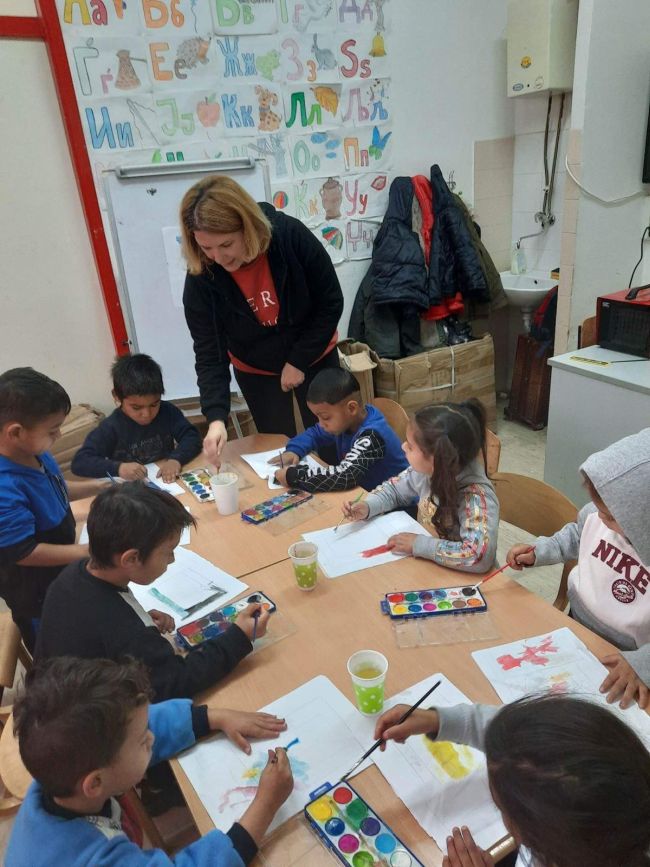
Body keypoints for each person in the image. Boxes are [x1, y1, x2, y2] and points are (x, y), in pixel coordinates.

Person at [7, 656, 293, 866]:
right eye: (144, 740)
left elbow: (141, 726)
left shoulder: (65, 777)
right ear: (95, 783)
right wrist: (266, 804)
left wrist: (213, 717)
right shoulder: (94, 859)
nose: (152, 737)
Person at [36, 483, 268, 701]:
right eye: (168, 551)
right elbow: (175, 682)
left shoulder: (76, 573)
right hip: (95, 720)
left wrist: (140, 620)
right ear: (131, 559)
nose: (173, 559)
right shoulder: (123, 631)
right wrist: (239, 637)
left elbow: (101, 631)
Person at [374, 692, 650, 867]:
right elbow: (516, 742)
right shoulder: (629, 794)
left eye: (500, 807)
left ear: (536, 837)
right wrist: (437, 720)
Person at [180, 175, 344, 465]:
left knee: (333, 442)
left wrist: (298, 359)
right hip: (256, 369)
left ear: (247, 227)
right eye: (206, 248)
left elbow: (330, 302)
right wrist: (216, 418)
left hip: (314, 354)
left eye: (226, 244)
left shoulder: (289, 236)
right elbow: (209, 353)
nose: (218, 257)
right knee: (278, 449)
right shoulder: (201, 276)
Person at [506, 428, 650, 709]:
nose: (600, 518)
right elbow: (576, 535)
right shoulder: (597, 515)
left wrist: (642, 665)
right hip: (575, 624)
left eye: (611, 517)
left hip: (627, 658)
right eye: (599, 510)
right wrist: (539, 551)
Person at [0, 368, 106, 651]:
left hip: (62, 571)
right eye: (52, 430)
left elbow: (54, 487)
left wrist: (99, 486)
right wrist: (89, 552)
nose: (59, 434)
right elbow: (24, 552)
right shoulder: (5, 488)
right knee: (57, 656)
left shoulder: (34, 452)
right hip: (37, 597)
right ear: (15, 432)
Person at [341, 399, 498, 573]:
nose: (403, 446)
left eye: (410, 445)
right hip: (430, 566)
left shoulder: (475, 496)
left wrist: (419, 544)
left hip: (466, 578)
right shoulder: (426, 471)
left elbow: (477, 556)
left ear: (436, 458)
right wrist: (368, 506)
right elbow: (394, 490)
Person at [269, 367, 408, 493]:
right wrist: (294, 450)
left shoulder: (372, 435)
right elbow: (315, 434)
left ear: (352, 408)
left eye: (325, 417)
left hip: (399, 504)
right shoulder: (348, 421)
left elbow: (346, 476)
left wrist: (293, 476)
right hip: (367, 494)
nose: (321, 424)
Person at [71, 353, 202, 482]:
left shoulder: (167, 411)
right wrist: (118, 468)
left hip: (167, 481)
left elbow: (192, 436)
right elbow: (80, 462)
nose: (146, 414)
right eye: (136, 407)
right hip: (131, 489)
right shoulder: (111, 427)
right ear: (116, 396)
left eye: (154, 404)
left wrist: (176, 459)